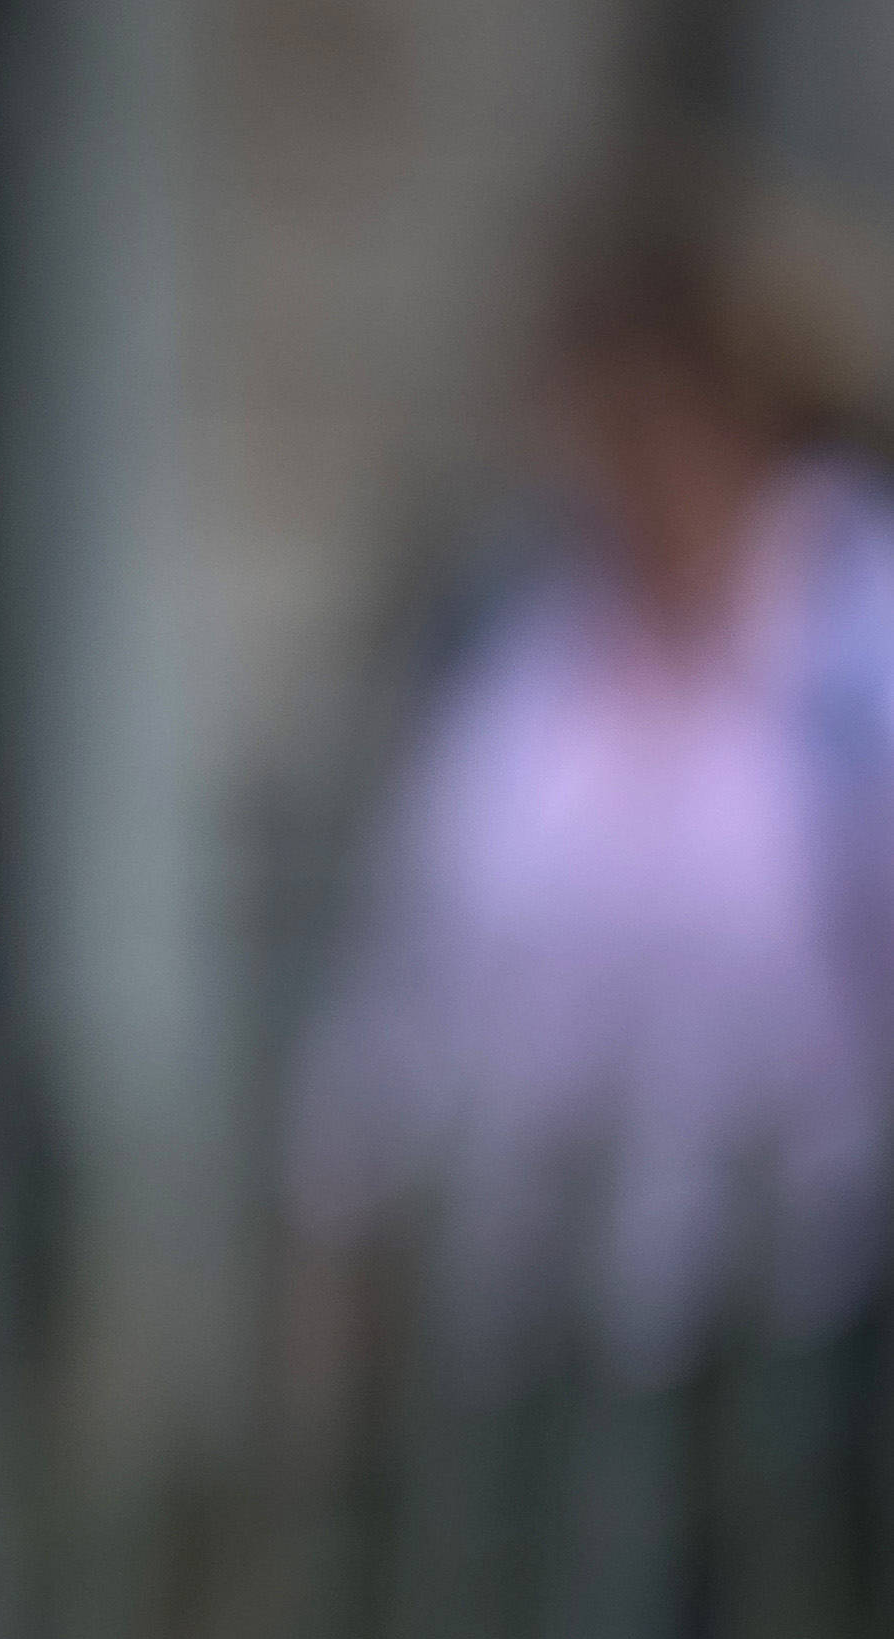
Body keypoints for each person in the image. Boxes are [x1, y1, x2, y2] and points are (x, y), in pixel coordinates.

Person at [289, 176, 894, 1380]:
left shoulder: (850, 633)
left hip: (799, 1325)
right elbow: (410, 953)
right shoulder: (519, 638)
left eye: (655, 406)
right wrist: (340, 1195)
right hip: (530, 1320)